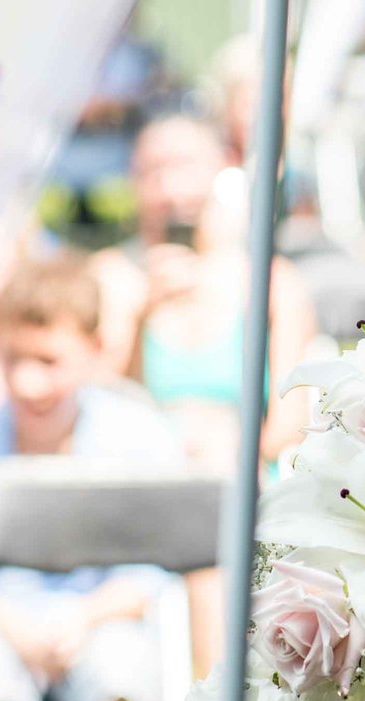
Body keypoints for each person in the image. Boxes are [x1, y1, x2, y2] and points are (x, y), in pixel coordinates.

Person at [0, 254, 183, 701]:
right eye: (13, 359)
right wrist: (18, 629)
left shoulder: (140, 436)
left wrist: (84, 619)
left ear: (95, 350)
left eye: (49, 362)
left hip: (103, 623)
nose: (26, 383)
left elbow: (157, 568)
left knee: (127, 666)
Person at [126, 111, 316, 474]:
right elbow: (105, 407)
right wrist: (141, 318)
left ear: (224, 164)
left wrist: (220, 453)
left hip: (246, 484)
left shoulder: (272, 284)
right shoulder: (116, 279)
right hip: (148, 483)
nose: (170, 188)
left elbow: (291, 426)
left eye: (184, 165)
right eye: (152, 171)